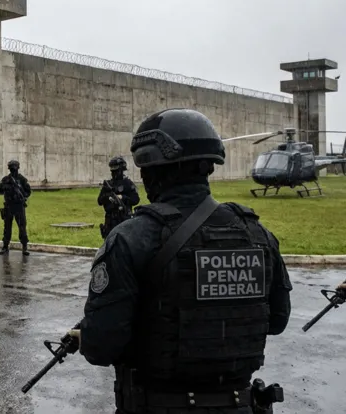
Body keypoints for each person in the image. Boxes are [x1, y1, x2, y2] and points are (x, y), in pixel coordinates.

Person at [70, 108, 292, 414]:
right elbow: (277, 321)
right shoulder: (258, 235)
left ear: (151, 170)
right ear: (207, 167)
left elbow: (100, 347)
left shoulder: (131, 238)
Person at [97, 156, 140, 239]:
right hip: (110, 221)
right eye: (112, 170)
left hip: (124, 219)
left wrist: (123, 197)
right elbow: (99, 201)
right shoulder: (108, 184)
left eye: (116, 170)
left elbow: (136, 200)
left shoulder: (127, 183)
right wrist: (107, 196)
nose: (114, 173)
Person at [0, 159, 31, 255]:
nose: (13, 170)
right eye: (12, 169)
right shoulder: (6, 179)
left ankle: (24, 247)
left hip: (19, 206)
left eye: (14, 169)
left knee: (22, 227)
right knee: (7, 228)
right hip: (8, 206)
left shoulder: (22, 179)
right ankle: (5, 246)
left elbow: (28, 191)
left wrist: (22, 197)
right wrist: (5, 186)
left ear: (18, 168)